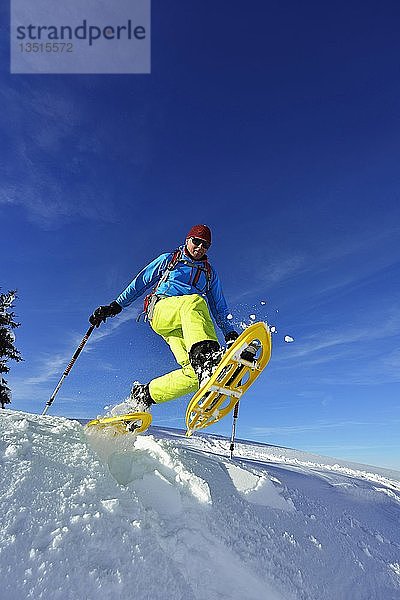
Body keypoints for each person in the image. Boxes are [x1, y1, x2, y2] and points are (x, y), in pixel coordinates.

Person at [89, 224, 239, 415]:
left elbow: (220, 306)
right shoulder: (170, 260)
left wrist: (231, 334)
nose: (200, 247)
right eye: (197, 242)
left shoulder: (209, 273)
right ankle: (208, 362)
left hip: (184, 325)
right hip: (162, 311)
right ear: (187, 240)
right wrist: (116, 306)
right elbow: (140, 282)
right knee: (194, 302)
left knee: (193, 374)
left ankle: (145, 395)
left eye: (205, 245)